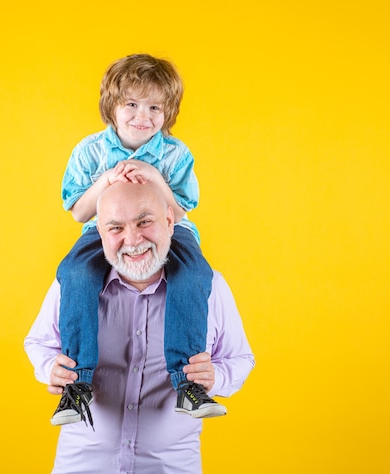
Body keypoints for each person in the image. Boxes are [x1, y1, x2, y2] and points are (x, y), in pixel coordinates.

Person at [24, 181, 255, 473]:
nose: (132, 240)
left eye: (144, 222)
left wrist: (215, 378)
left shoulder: (208, 287)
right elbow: (39, 342)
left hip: (170, 466)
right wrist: (50, 369)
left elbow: (241, 358)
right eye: (116, 228)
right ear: (100, 234)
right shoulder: (73, 286)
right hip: (82, 464)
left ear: (170, 220)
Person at [54, 53, 219, 426]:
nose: (142, 116)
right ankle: (77, 384)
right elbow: (80, 213)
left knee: (194, 276)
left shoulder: (176, 154)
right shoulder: (90, 151)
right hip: (105, 233)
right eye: (131, 104)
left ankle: (187, 384)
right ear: (112, 105)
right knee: (75, 274)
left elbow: (178, 213)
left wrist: (152, 176)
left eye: (154, 107)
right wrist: (108, 180)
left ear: (168, 112)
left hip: (168, 232)